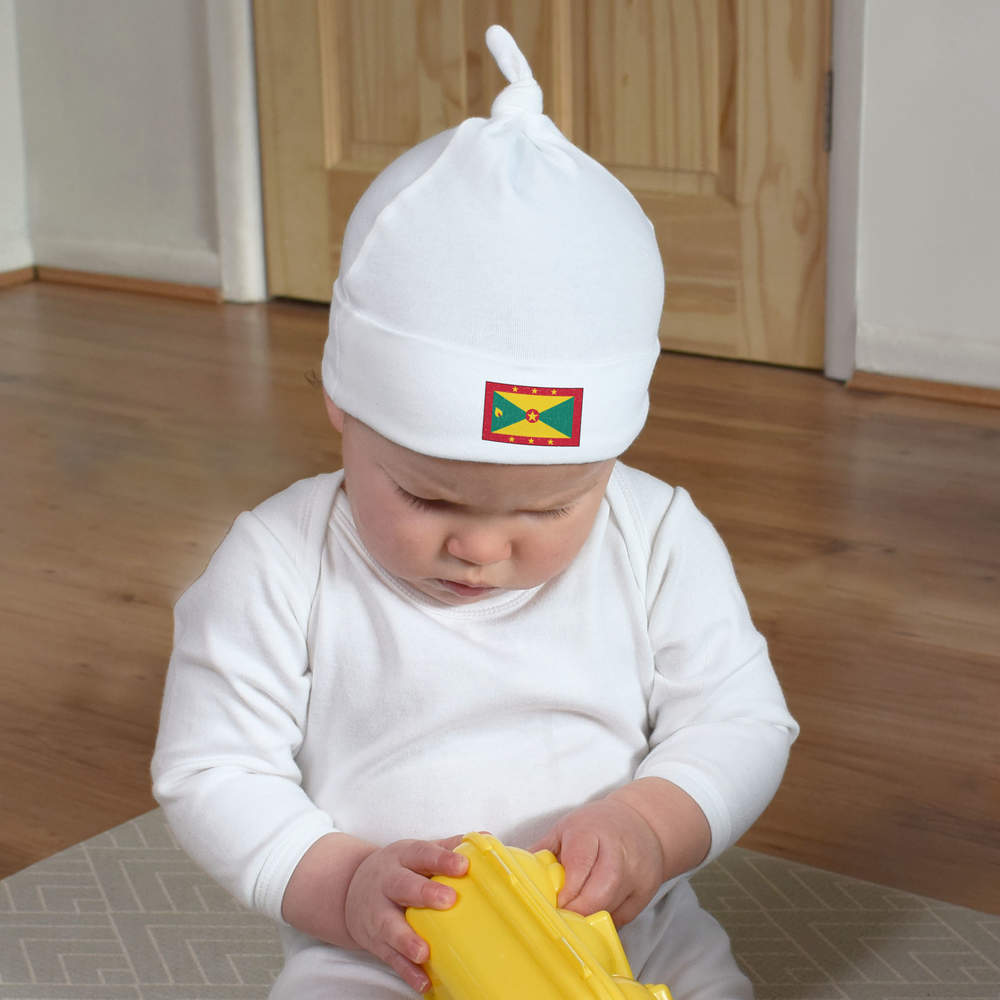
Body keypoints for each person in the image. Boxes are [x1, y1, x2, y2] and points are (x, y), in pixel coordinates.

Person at [152, 25, 798, 1000]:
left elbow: (742, 720)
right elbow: (212, 768)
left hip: (625, 931)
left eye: (552, 506)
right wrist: (341, 885)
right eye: (427, 495)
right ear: (342, 404)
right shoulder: (280, 561)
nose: (480, 546)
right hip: (386, 948)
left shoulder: (658, 537)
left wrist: (651, 828)